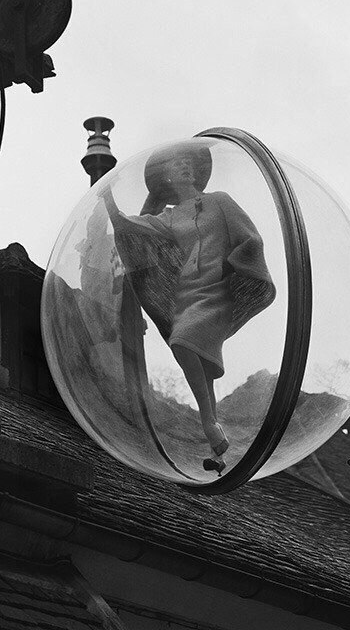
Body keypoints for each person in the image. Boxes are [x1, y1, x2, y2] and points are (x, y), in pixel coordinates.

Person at [103, 141, 275, 474]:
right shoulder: (167, 217)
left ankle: (209, 421)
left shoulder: (219, 202)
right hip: (186, 293)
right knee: (198, 358)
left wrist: (232, 266)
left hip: (219, 291)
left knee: (183, 340)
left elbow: (251, 238)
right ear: (165, 179)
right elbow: (130, 227)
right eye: (176, 164)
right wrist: (108, 200)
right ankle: (217, 441)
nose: (185, 167)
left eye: (187, 162)